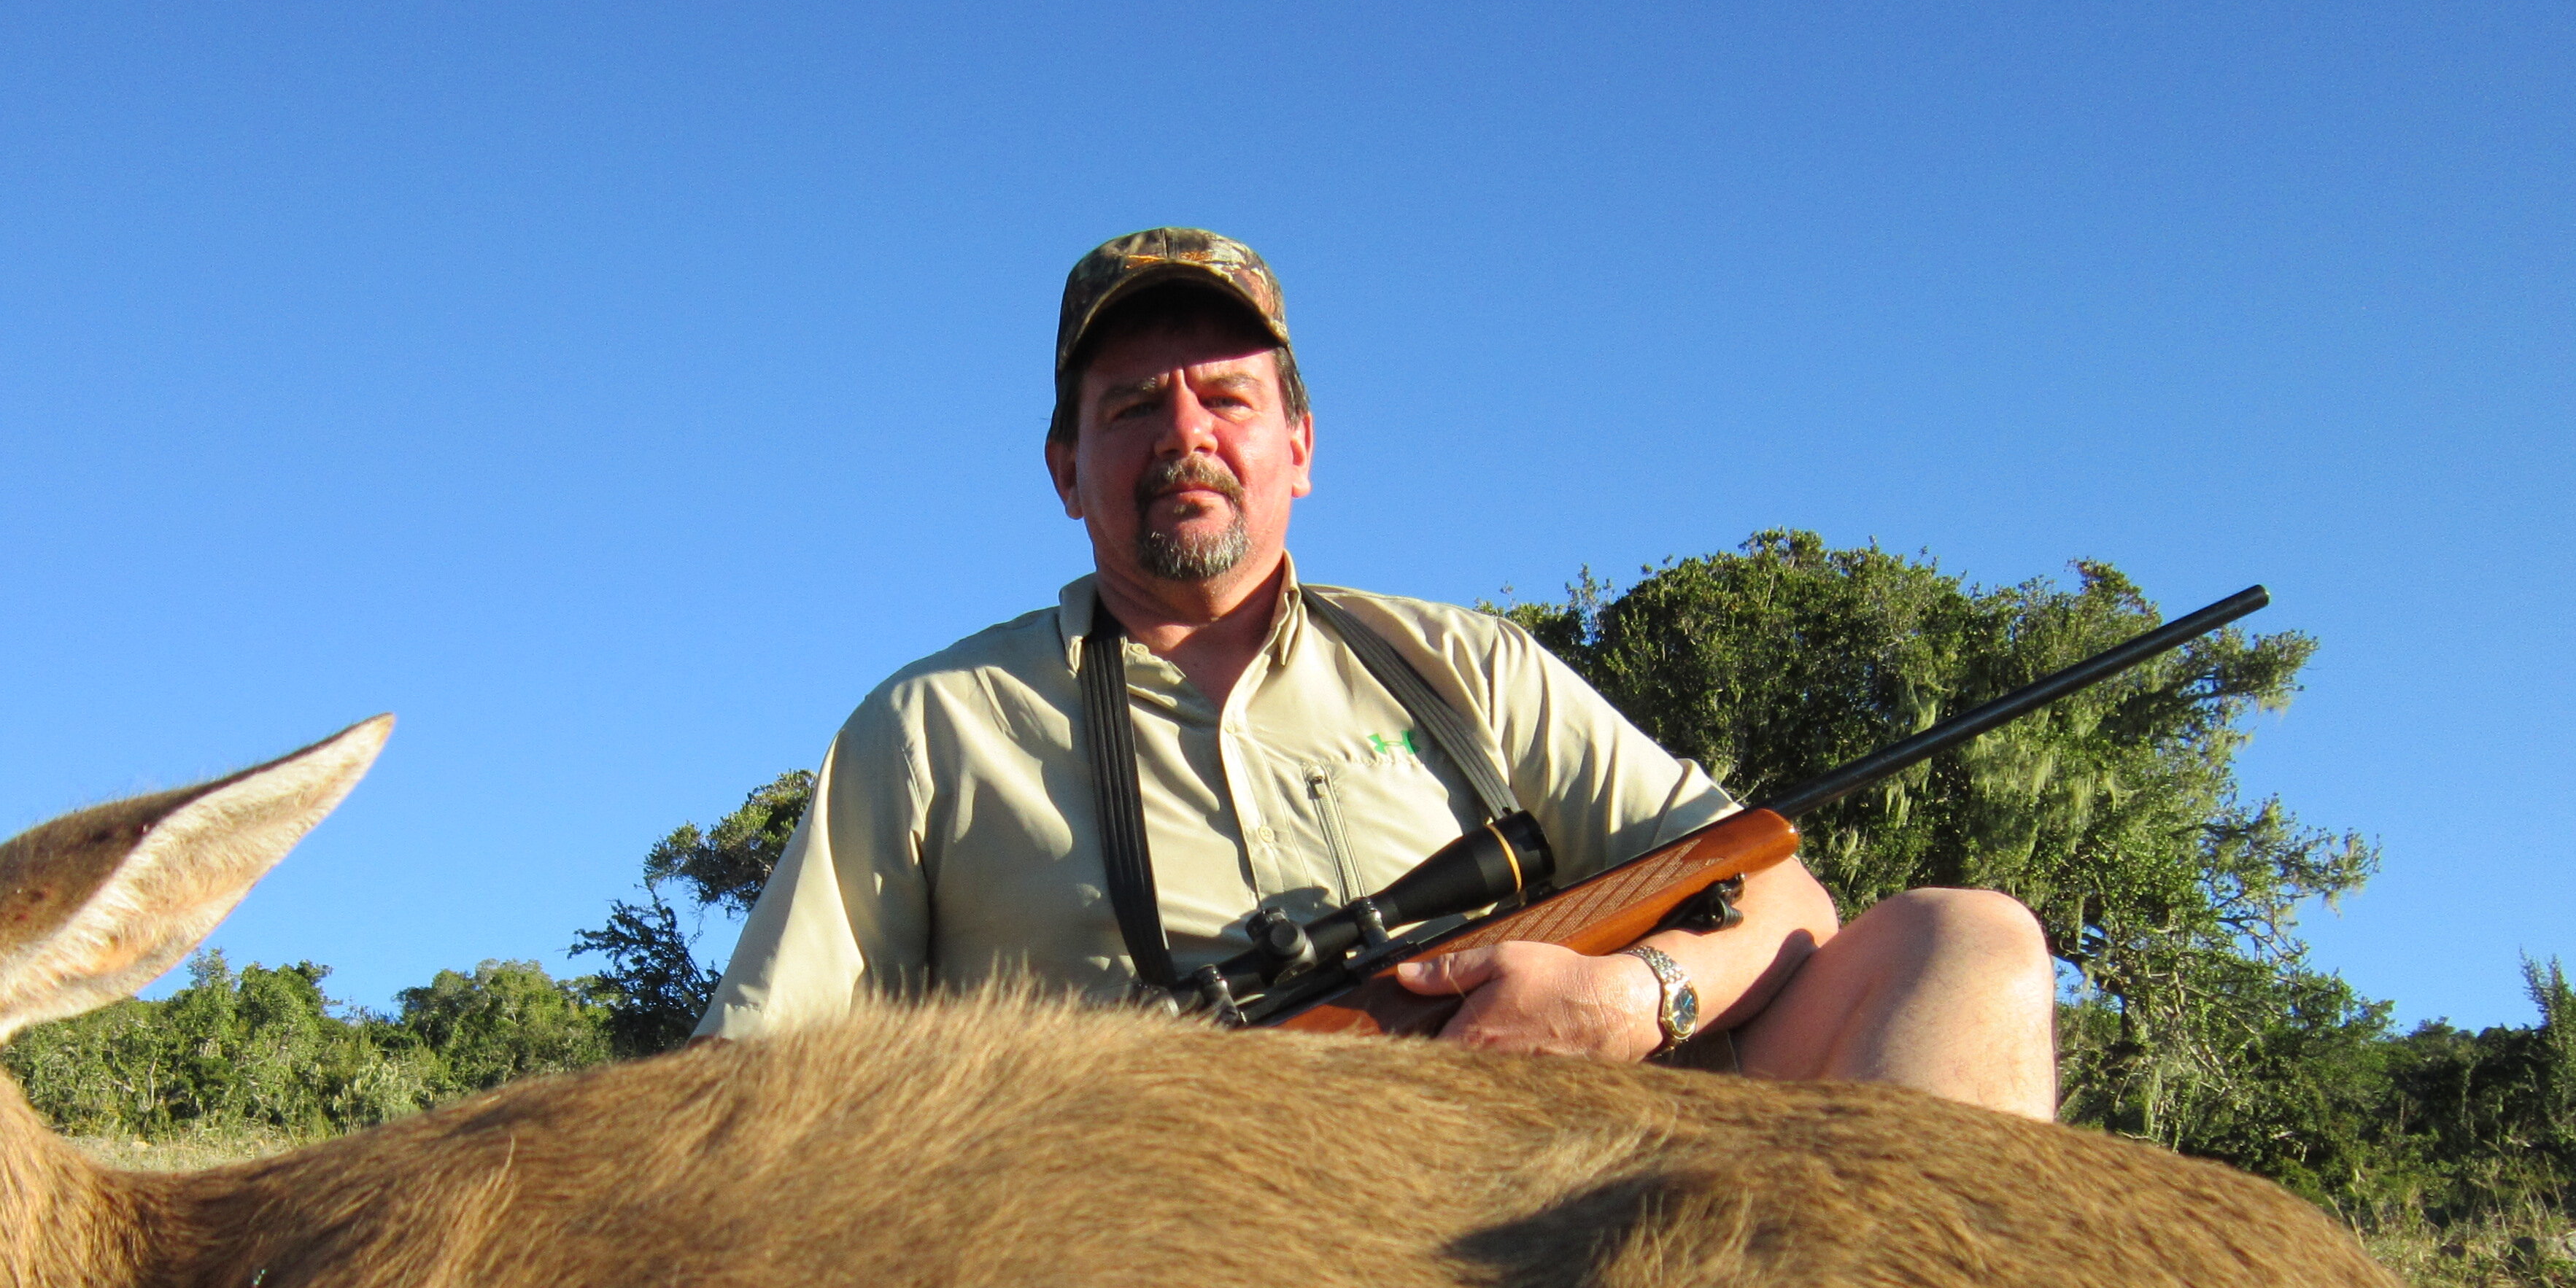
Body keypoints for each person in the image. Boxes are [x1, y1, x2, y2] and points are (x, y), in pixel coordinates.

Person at [698, 227, 2058, 1117]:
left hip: (1559, 1174)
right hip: (1145, 1234)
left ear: (1300, 446)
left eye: (1227, 398)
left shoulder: (1463, 668)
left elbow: (1770, 884)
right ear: (1065, 470)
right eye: (1129, 408)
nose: (1185, 434)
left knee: (1971, 942)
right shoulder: (932, 729)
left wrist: (1632, 998)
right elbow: (756, 1083)